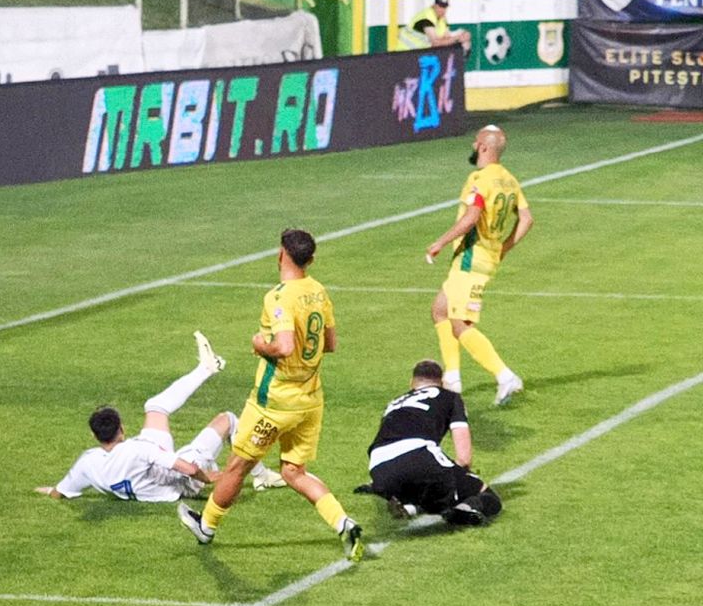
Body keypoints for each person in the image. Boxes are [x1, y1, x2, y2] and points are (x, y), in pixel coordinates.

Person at [177, 228, 366, 562]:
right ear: (311, 259)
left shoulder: (279, 297)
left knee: (238, 465)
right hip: (310, 399)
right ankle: (343, 522)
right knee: (294, 472)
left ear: (282, 254)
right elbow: (331, 344)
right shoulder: (318, 291)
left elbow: (284, 345)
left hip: (274, 403)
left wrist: (258, 344)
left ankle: (206, 526)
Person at [35, 332, 287, 502]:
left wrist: (49, 491)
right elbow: (185, 467)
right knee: (228, 420)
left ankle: (205, 369)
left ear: (94, 435)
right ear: (121, 428)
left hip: (146, 473)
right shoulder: (138, 450)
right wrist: (208, 477)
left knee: (155, 406)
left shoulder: (88, 463)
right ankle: (261, 475)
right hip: (180, 482)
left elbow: (61, 491)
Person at [426, 124, 533, 405]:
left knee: (460, 324)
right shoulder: (509, 180)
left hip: (472, 258)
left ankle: (505, 376)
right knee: (440, 310)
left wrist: (440, 241)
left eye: (476, 143)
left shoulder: (480, 179)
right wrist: (505, 246)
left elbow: (472, 217)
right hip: (486, 257)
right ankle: (452, 378)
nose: (474, 147)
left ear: (484, 147)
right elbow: (526, 219)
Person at [355, 359, 502, 526]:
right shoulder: (450, 397)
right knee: (488, 497)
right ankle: (461, 509)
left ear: (412, 383)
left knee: (426, 481)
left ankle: (408, 504)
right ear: (442, 382)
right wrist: (462, 476)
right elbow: (464, 458)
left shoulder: (395, 402)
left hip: (378, 467)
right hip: (418, 457)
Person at [400, 0, 471, 52]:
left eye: (445, 7)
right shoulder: (427, 18)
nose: (442, 10)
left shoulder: (442, 19)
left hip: (420, 52)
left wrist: (460, 35)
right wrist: (456, 38)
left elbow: (446, 37)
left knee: (465, 44)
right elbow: (435, 43)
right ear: (434, 6)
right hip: (406, 52)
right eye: (440, 7)